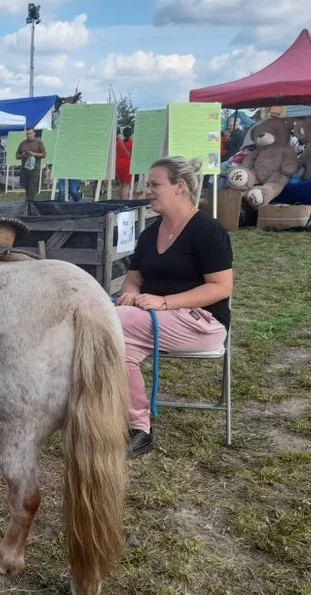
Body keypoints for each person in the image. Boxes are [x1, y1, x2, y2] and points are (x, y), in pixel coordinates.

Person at [115, 157, 233, 459]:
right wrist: (129, 294)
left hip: (202, 324)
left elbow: (221, 288)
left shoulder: (208, 230)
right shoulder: (150, 233)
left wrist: (164, 303)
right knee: (118, 345)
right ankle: (138, 429)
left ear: (179, 186)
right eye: (147, 185)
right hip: (153, 320)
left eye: (155, 184)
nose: (147, 191)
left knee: (111, 322)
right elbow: (133, 280)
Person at [16, 128, 46, 201]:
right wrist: (23, 155)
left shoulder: (38, 142)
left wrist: (34, 154)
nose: (29, 135)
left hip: (35, 168)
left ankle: (31, 202)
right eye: (27, 134)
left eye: (30, 133)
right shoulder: (23, 143)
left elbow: (44, 154)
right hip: (25, 168)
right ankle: (28, 202)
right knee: (27, 187)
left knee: (32, 187)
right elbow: (17, 155)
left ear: (34, 134)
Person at [116, 127, 134, 200]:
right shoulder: (132, 143)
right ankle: (124, 201)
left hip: (119, 163)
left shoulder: (119, 143)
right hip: (127, 164)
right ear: (130, 134)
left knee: (121, 184)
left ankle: (120, 200)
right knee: (126, 185)